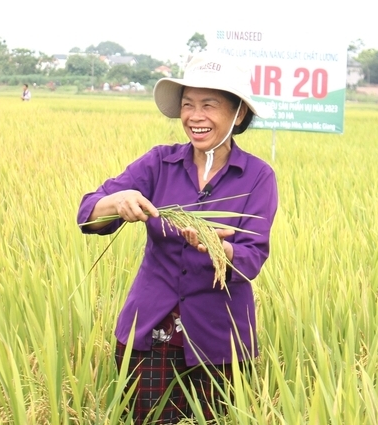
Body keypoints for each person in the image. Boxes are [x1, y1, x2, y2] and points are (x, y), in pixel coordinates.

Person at [77, 52, 278, 424]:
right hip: (150, 330)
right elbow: (88, 212)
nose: (195, 116)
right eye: (188, 105)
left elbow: (252, 256)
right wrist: (114, 202)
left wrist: (220, 249)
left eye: (209, 105)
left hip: (219, 338)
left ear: (239, 114)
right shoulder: (159, 162)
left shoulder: (257, 176)